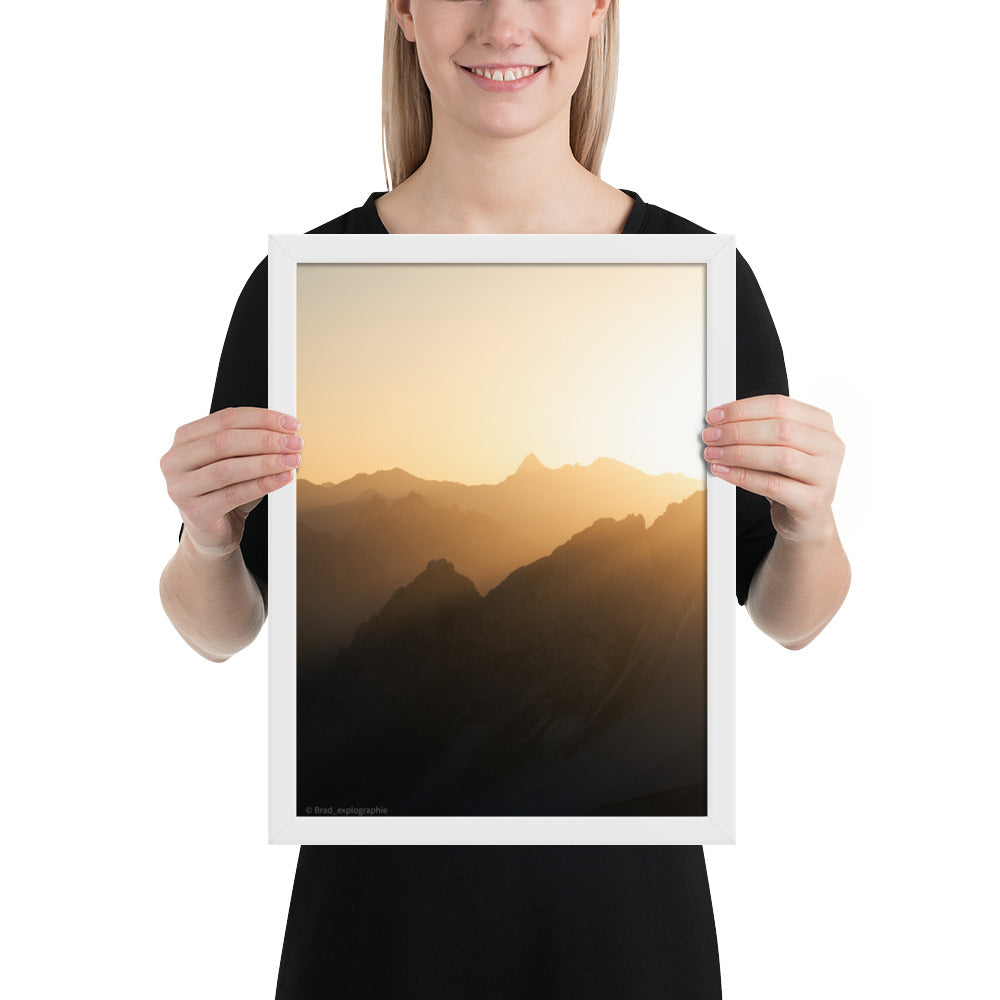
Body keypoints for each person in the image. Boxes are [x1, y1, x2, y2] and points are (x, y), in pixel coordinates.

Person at [159, 1, 851, 996]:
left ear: (601, 11)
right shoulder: (295, 289)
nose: (503, 20)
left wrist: (809, 521)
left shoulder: (700, 282)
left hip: (623, 924)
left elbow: (790, 615)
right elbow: (218, 630)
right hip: (374, 926)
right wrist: (207, 539)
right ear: (403, 11)